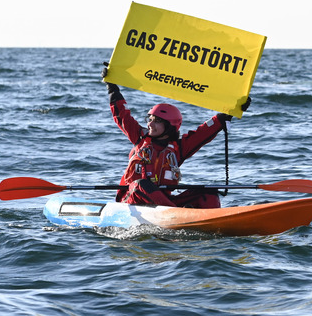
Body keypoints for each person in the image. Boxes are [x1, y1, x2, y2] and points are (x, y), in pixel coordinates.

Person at [102, 64, 250, 208]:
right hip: (132, 200)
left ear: (170, 126)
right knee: (142, 184)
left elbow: (204, 131)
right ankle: (177, 214)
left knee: (209, 191)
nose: (150, 125)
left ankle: (211, 222)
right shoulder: (139, 137)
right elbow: (122, 114)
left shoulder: (179, 148)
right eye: (150, 120)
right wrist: (112, 86)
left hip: (164, 202)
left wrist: (231, 112)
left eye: (157, 121)